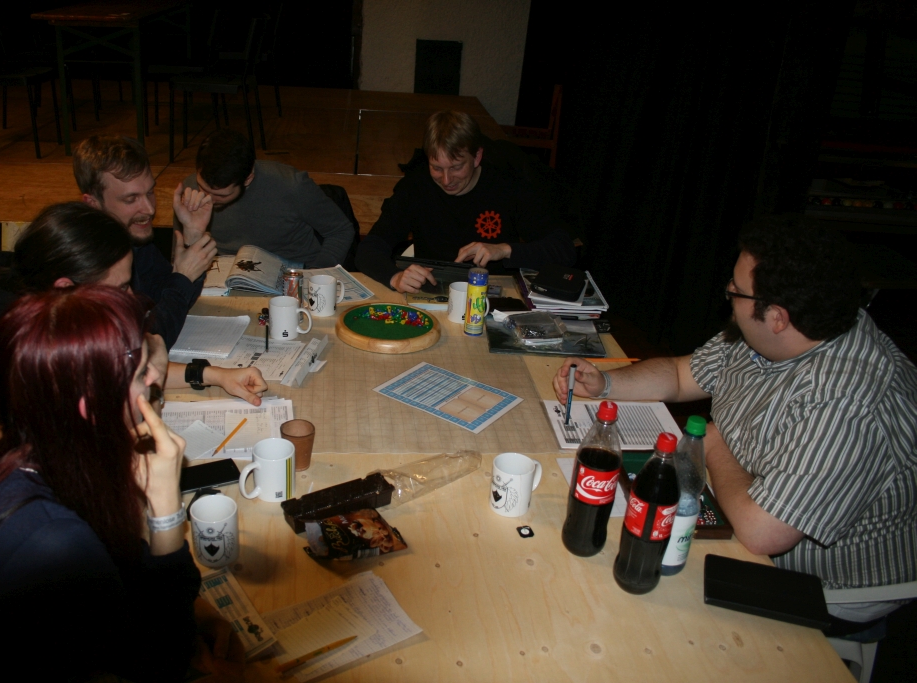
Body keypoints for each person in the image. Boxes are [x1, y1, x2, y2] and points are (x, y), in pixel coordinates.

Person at [553, 216, 917, 621]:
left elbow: (763, 534)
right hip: (742, 503)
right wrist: (604, 383)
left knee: (630, 599)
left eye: (737, 291)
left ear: (777, 316)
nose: (728, 294)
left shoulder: (846, 403)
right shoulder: (787, 332)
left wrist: (713, 444)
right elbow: (680, 375)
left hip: (822, 584)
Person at [0, 286, 246, 681]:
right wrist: (165, 507)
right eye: (142, 374)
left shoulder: (4, 436)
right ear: (90, 405)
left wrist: (192, 607)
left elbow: (115, 564)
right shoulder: (52, 539)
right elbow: (165, 660)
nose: (155, 380)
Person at [0, 202, 267, 476]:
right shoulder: (25, 350)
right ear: (66, 288)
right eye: (120, 287)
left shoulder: (51, 319)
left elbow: (115, 372)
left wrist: (212, 374)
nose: (131, 297)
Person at [355, 110, 579, 293]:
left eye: (456, 167)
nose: (446, 180)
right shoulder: (415, 187)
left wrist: (505, 250)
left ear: (477, 156)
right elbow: (369, 248)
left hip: (493, 294)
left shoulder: (508, 186)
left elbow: (564, 249)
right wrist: (395, 277)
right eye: (436, 168)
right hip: (433, 293)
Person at [74, 135, 218, 348]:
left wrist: (193, 234)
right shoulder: (85, 262)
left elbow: (167, 298)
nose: (149, 209)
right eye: (131, 199)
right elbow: (143, 342)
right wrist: (184, 277)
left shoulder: (134, 239)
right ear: (92, 203)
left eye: (150, 192)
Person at [182, 129, 354, 267]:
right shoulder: (190, 189)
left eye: (221, 195)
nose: (209, 199)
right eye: (202, 188)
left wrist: (317, 273)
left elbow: (341, 230)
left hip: (292, 270)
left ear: (248, 179)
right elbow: (179, 260)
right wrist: (192, 233)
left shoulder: (292, 186)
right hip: (224, 272)